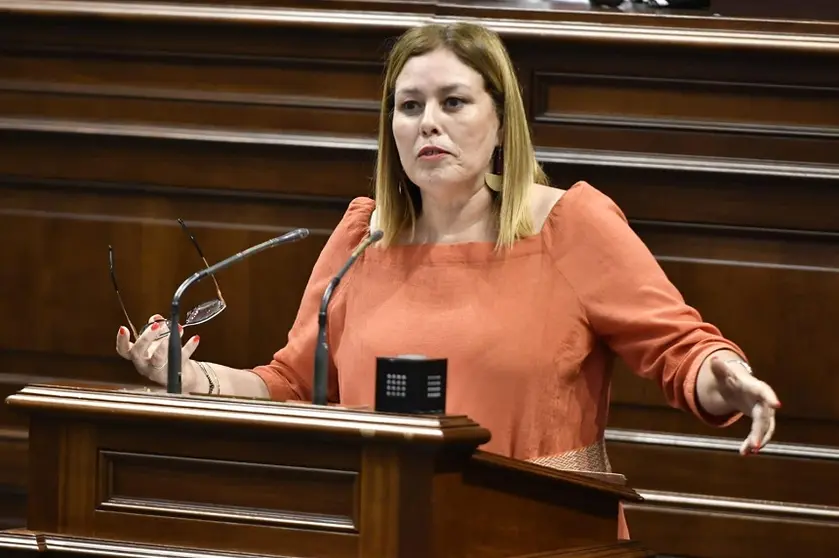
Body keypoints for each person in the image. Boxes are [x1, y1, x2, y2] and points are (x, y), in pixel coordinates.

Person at [115, 21, 780, 537]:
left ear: (500, 121)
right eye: (408, 106)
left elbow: (678, 350)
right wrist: (189, 376)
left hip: (539, 533)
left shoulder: (567, 224)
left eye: (453, 101)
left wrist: (722, 375)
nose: (427, 121)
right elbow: (292, 385)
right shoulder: (361, 237)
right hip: (381, 529)